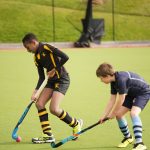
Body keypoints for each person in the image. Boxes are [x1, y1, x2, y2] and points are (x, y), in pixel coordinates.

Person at [22, 33, 83, 144]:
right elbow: (41, 77)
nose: (27, 50)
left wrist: (54, 69)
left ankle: (76, 124)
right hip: (51, 81)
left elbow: (65, 57)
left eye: (27, 47)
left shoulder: (46, 47)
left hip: (62, 79)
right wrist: (35, 92)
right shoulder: (36, 57)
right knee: (39, 104)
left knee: (54, 109)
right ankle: (47, 135)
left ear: (33, 42)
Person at [96, 62, 149, 150]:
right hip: (131, 94)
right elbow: (112, 100)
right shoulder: (113, 82)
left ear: (107, 76)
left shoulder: (121, 79)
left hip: (143, 92)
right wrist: (104, 116)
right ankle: (128, 138)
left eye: (101, 78)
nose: (101, 81)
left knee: (133, 113)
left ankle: (140, 143)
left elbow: (121, 99)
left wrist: (112, 113)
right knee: (119, 115)